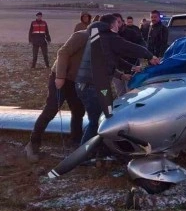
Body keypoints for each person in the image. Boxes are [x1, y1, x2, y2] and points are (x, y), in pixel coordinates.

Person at [76, 14, 160, 144]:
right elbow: (129, 48)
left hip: (86, 84)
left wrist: (131, 68)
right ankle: (86, 151)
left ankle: (99, 148)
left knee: (101, 118)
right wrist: (150, 56)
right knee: (98, 121)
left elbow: (111, 59)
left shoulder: (97, 36)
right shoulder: (109, 37)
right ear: (111, 25)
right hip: (93, 86)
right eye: (117, 23)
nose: (118, 26)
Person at [24, 28, 89, 162]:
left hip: (75, 80)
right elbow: (62, 52)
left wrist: (121, 75)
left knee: (78, 110)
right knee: (51, 109)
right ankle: (33, 144)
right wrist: (60, 77)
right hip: (60, 78)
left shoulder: (100, 41)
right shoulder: (82, 36)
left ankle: (75, 142)